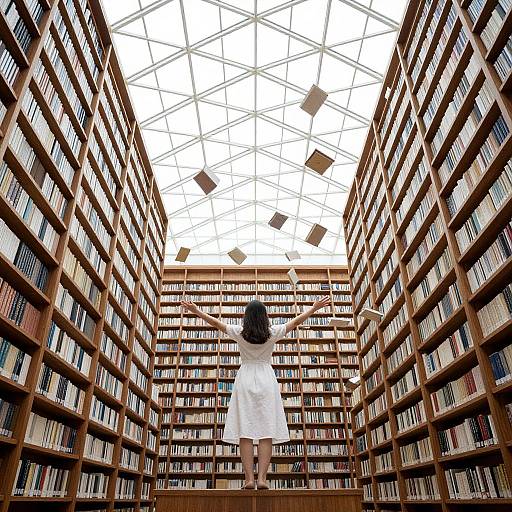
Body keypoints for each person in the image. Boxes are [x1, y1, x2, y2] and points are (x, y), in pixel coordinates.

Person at [181, 295, 331, 490]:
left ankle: (249, 479)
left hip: (245, 379)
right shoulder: (273, 332)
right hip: (266, 379)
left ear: (246, 317)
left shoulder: (239, 332)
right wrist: (314, 308)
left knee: (245, 430)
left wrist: (196, 311)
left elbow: (216, 323)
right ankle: (262, 479)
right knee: (266, 430)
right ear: (265, 317)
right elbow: (296, 322)